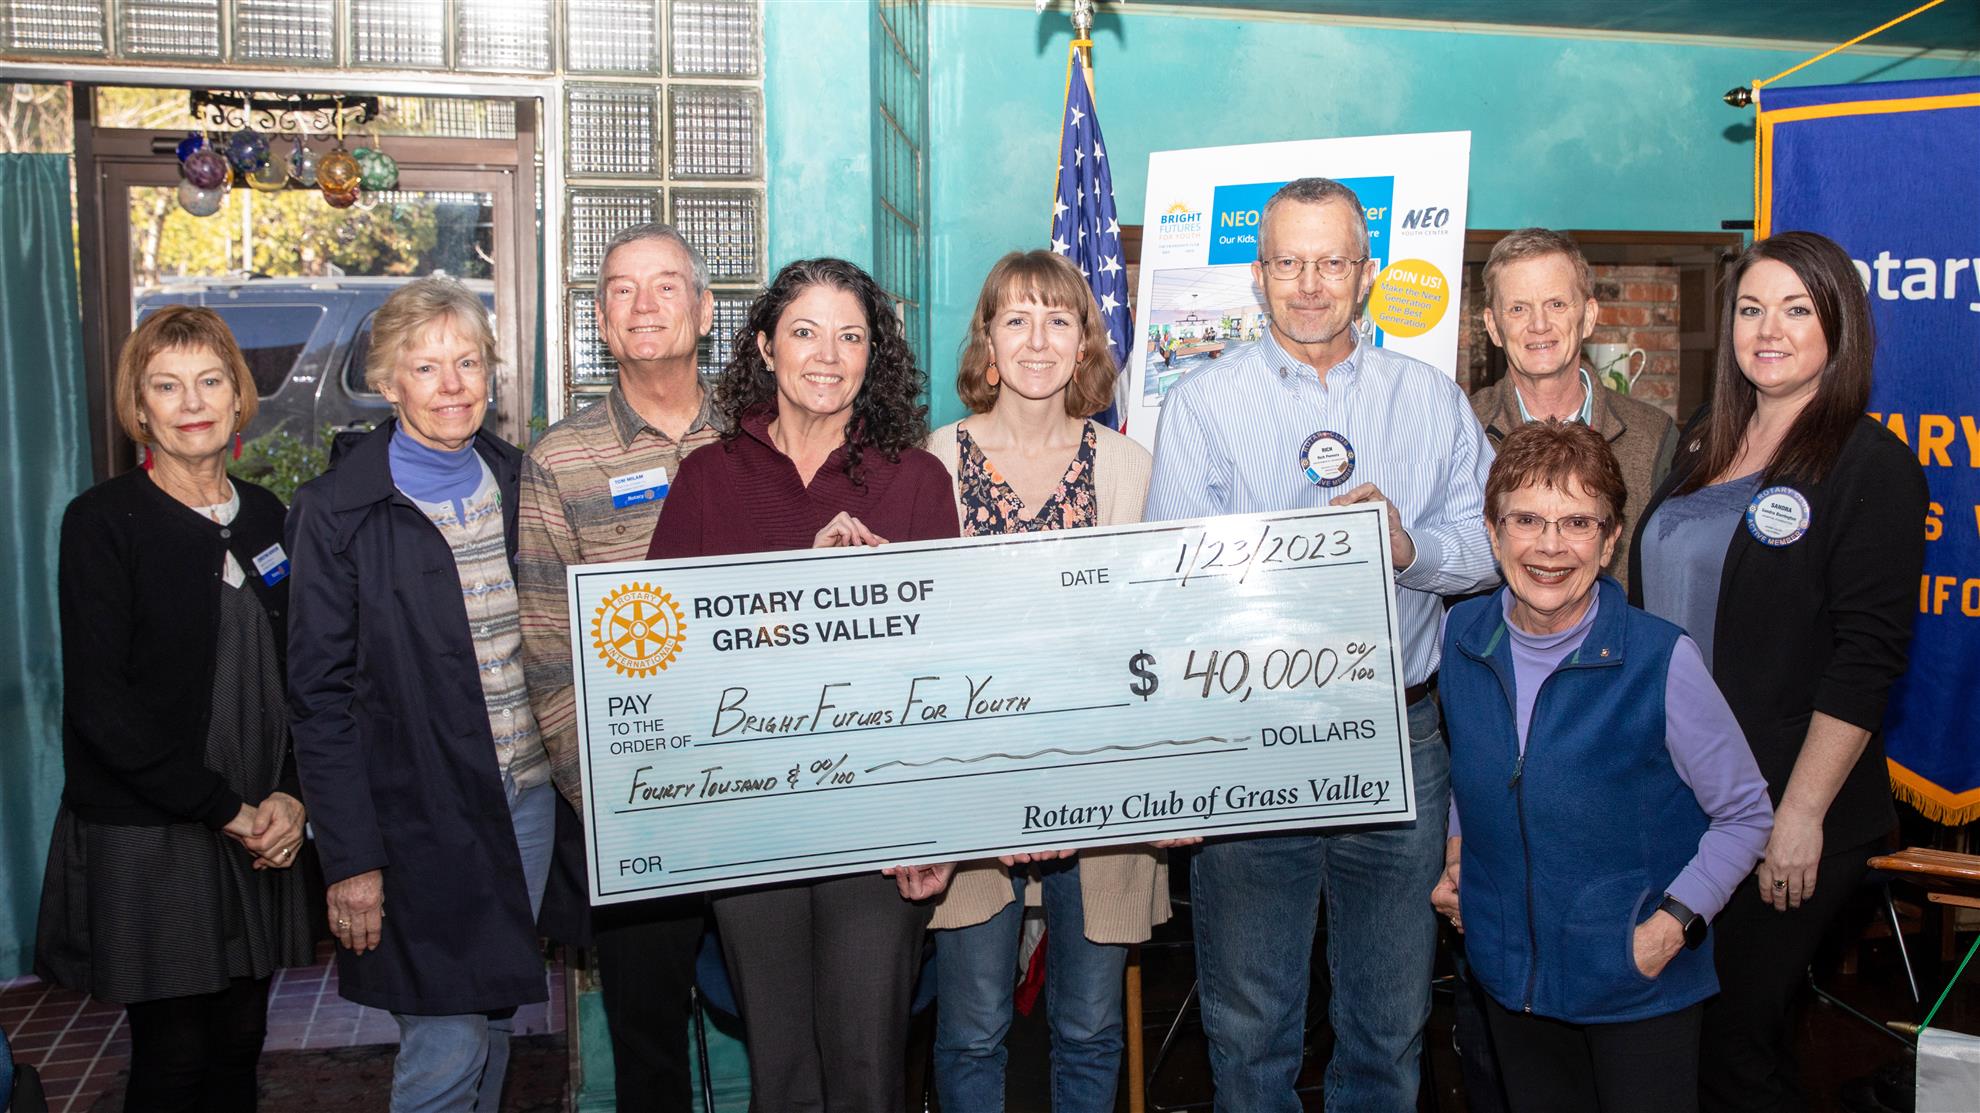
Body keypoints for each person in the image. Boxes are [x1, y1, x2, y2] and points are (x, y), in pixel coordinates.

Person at [1144, 176, 1498, 1111]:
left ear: (1367, 272)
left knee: (1388, 1022)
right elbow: (1173, 594)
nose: (1309, 284)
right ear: (1258, 275)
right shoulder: (1202, 405)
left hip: (1400, 732)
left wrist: (1409, 548)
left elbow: (1492, 548)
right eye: (1289, 262)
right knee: (1251, 1026)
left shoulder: (1432, 401)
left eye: (1331, 261)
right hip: (1250, 737)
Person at [645, 257, 960, 1112]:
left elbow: (952, 671)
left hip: (880, 821)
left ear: (873, 355)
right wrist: (795, 595)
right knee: (781, 1076)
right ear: (764, 346)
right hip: (750, 816)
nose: (827, 355)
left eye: (850, 336)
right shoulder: (708, 479)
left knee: (867, 1072)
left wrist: (937, 826)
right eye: (805, 332)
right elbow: (664, 663)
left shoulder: (917, 480)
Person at [1627, 231, 1928, 1113]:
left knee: (1736, 1044)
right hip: (1680, 797)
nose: (1769, 330)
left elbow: (1867, 659)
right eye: (1753, 308)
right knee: (1685, 1038)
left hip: (1783, 806)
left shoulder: (1870, 466)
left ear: (1840, 326)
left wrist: (1799, 814)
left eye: (1797, 310)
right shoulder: (1702, 439)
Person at [1430, 420, 1774, 1112]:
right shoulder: (1461, 637)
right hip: (1509, 978)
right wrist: (1458, 852)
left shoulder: (1661, 660)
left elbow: (1745, 814)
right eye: (1526, 519)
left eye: (1578, 522)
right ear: (1493, 533)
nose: (1550, 546)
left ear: (1610, 540)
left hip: (1635, 984)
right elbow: (1478, 762)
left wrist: (1669, 928)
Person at [288, 277, 555, 1113]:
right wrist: (351, 858)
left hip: (526, 800)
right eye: (427, 366)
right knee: (446, 1043)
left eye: (467, 362)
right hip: (415, 819)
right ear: (387, 380)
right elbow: (319, 700)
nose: (452, 385)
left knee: (496, 1019)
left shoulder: (520, 483)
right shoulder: (336, 511)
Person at [37, 306, 312, 1112]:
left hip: (260, 824)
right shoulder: (101, 522)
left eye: (210, 380)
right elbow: (101, 706)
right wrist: (226, 809)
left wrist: (291, 794)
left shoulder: (267, 516)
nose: (192, 402)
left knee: (242, 1040)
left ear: (238, 396)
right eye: (167, 385)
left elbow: (304, 675)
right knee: (174, 1056)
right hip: (155, 828)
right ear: (140, 406)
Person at [924, 250, 1170, 1113]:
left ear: (1085, 342)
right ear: (988, 339)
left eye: (1059, 320)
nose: (1037, 340)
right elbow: (922, 647)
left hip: (1102, 786)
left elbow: (1155, 639)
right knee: (971, 1029)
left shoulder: (1132, 466)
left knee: (1091, 1027)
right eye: (1017, 319)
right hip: (972, 784)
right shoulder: (932, 461)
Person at [516, 222, 720, 1108]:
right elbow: (546, 646)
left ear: (704, 311)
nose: (644, 305)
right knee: (649, 1049)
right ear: (600, 321)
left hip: (768, 786)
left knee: (792, 1023)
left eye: (666, 284)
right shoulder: (559, 461)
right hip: (639, 802)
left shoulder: (761, 437)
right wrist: (601, 800)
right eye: (622, 289)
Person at [1472, 227, 1677, 590]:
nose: (1539, 325)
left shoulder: (1654, 436)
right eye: (1518, 308)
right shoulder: (1461, 428)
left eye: (1556, 304)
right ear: (1493, 326)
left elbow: (1670, 577)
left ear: (1589, 315)